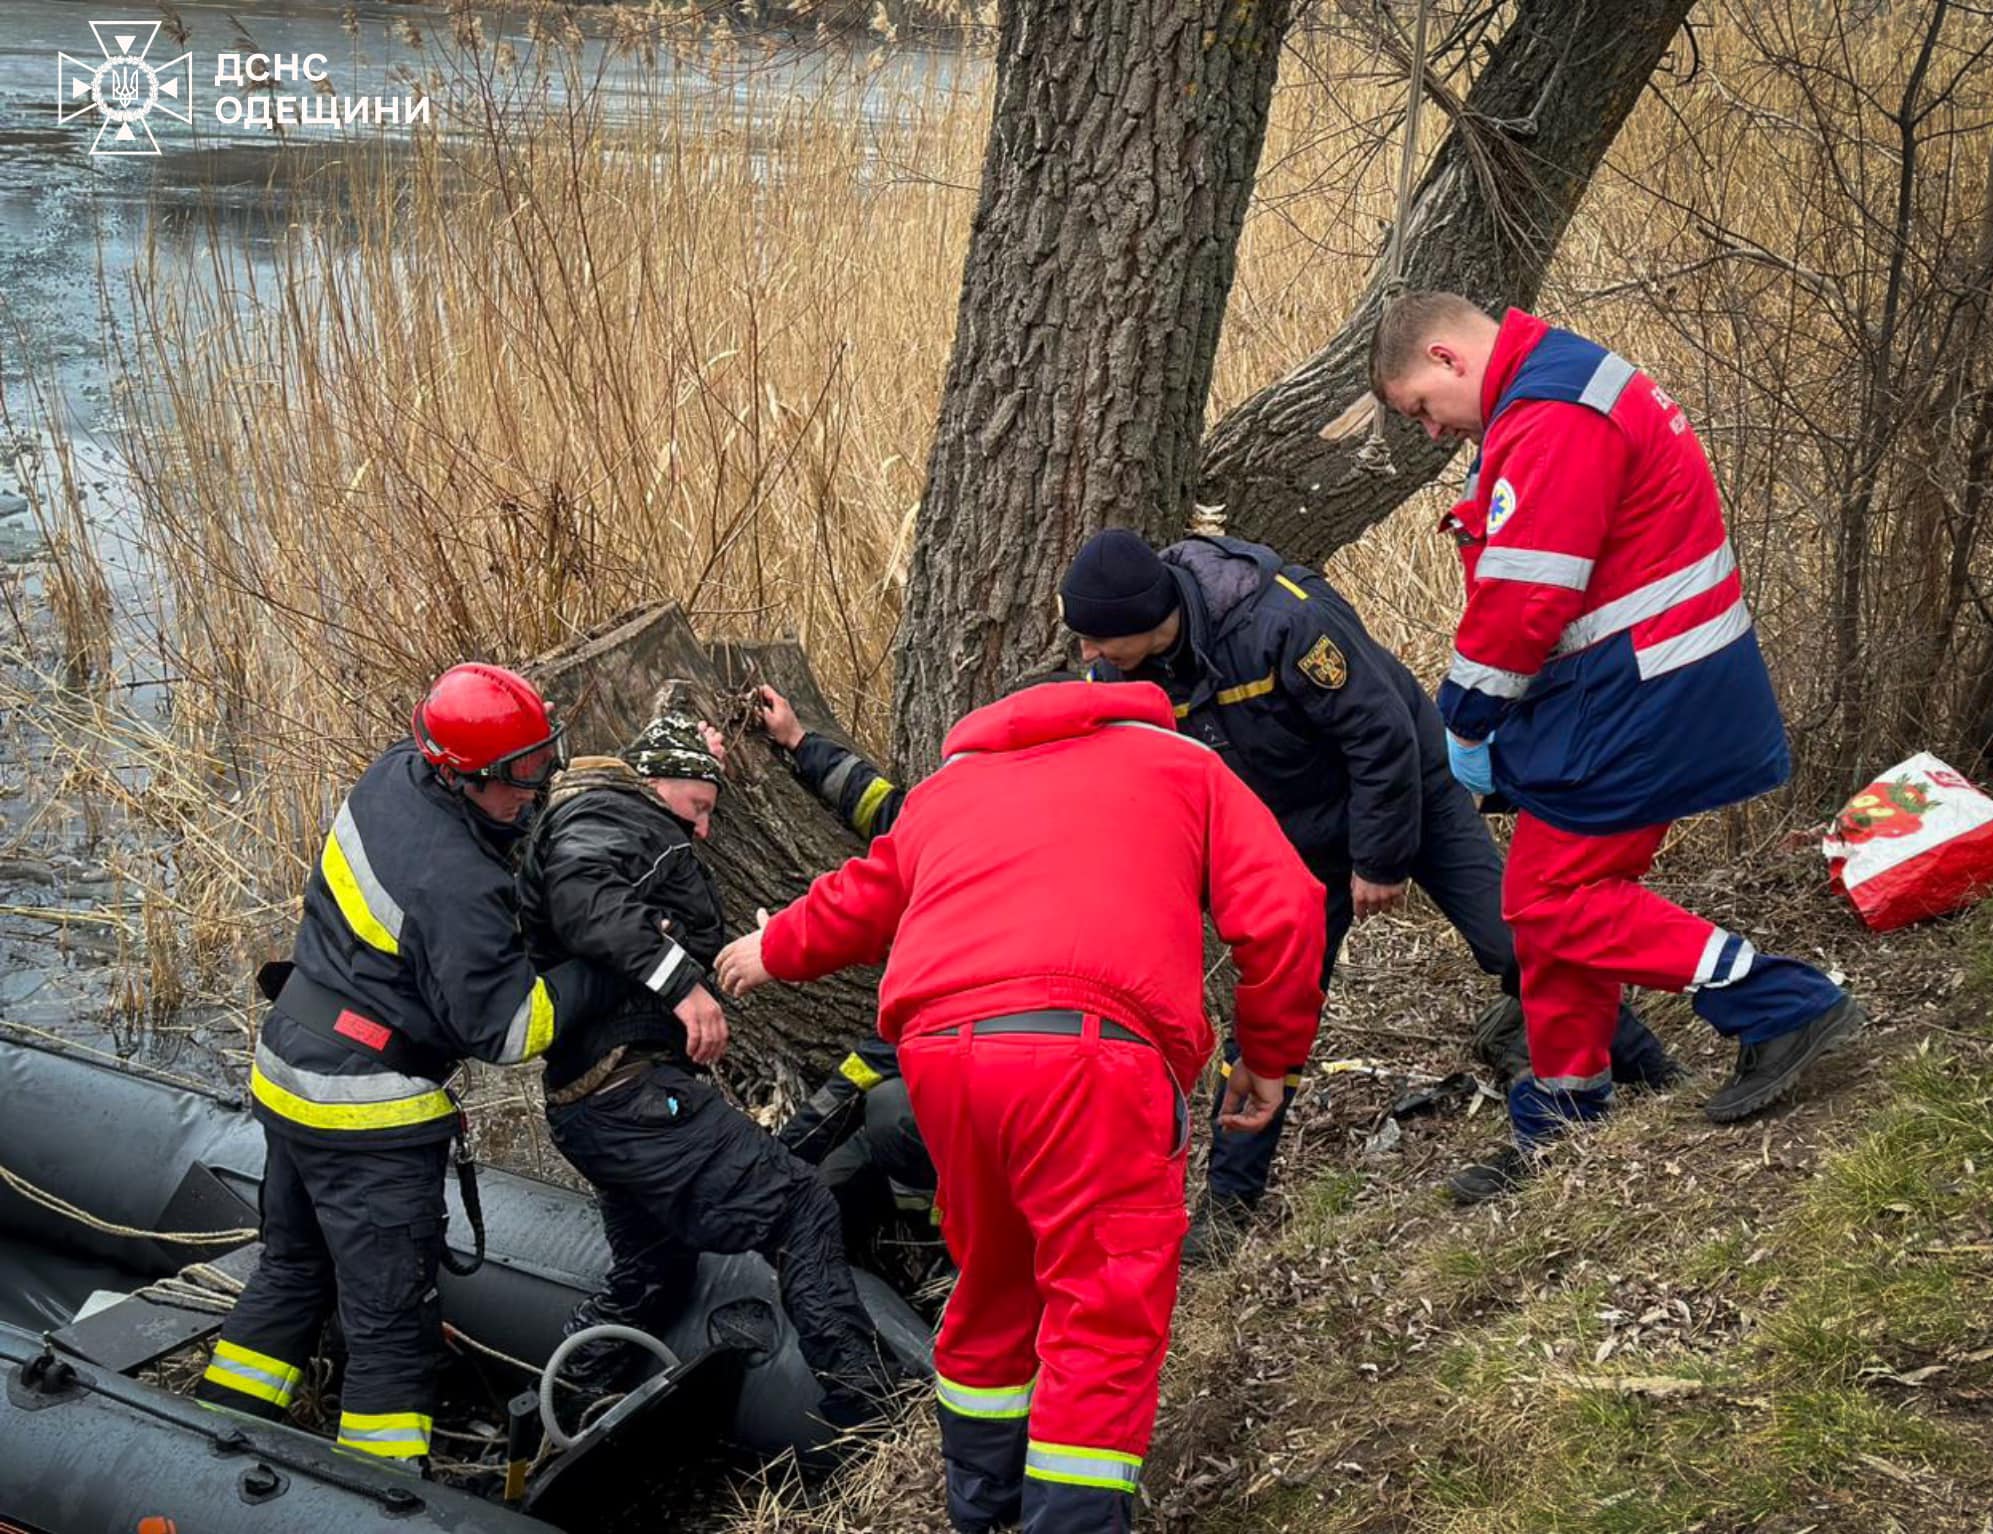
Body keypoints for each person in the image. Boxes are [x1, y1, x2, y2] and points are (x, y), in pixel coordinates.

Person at [715, 677, 1326, 1534]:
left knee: (995, 1278)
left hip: (943, 1063)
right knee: (1102, 1302)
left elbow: (859, 900)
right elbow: (1288, 910)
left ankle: (984, 1506)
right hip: (1092, 1056)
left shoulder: (946, 792)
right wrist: (1267, 1061)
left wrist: (768, 948)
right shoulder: (1182, 766)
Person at [1370, 290, 1867, 1201]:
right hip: (1636, 688)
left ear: (1445, 359)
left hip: (1641, 698)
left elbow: (1525, 597)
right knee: (1544, 902)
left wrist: (1464, 718)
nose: (1431, 432)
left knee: (1556, 901)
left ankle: (1779, 1003)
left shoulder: (1552, 415)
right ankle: (1562, 1115)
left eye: (1419, 410)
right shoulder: (1554, 387)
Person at [1055, 529, 1677, 1253]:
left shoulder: (1279, 619)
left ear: (1147, 617)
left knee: (1516, 939)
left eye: (1099, 639)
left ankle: (1647, 1069)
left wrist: (1380, 861)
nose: (1089, 657)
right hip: (1292, 843)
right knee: (1274, 1016)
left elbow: (1380, 736)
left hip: (1410, 782)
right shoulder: (1121, 682)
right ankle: (1229, 1208)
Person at [196, 663, 625, 1467]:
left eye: (544, 763)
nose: (535, 791)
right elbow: (506, 1030)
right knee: (392, 1320)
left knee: (292, 1266)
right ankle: (382, 1492)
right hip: (365, 1112)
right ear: (462, 776)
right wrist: (603, 969)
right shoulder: (454, 882)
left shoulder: (394, 775)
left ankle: (215, 1441)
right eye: (520, 778)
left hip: (289, 1069)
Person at [516, 709, 893, 1419]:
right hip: (631, 1097)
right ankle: (866, 1407)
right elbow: (580, 893)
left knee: (653, 1271)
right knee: (799, 1202)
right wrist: (680, 982)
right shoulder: (605, 813)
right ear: (661, 780)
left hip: (594, 1107)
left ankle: (561, 1406)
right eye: (701, 806)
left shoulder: (611, 819)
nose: (705, 830)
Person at [753, 684, 938, 1259]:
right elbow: (880, 805)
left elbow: (867, 1070)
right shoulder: (956, 823)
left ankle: (939, 1245)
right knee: (839, 1177)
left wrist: (781, 1155)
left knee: (887, 1115)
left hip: (978, 1121)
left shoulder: (955, 941)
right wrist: (798, 741)